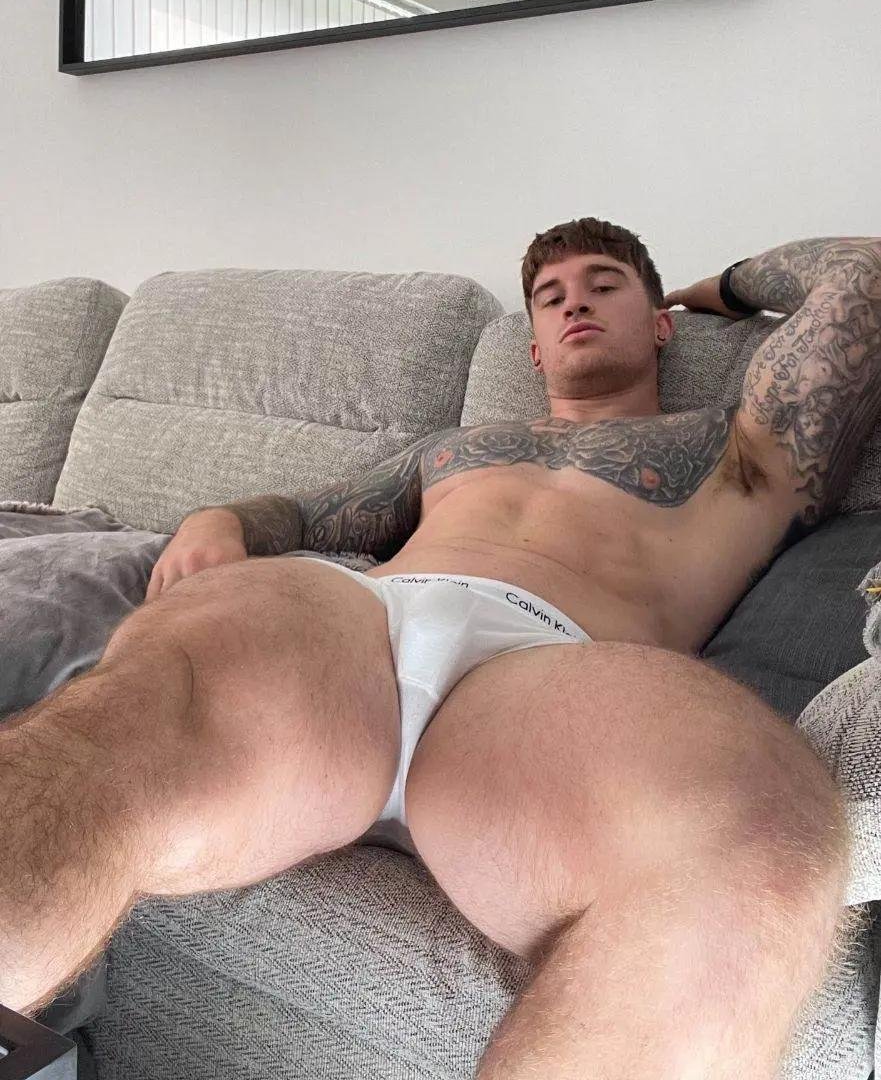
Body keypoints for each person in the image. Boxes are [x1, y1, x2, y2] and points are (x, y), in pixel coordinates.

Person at [2, 216, 880, 1079]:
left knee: (751, 845)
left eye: (603, 285)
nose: (574, 303)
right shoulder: (455, 450)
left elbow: (863, 278)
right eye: (550, 297)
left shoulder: (739, 448)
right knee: (108, 733)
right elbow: (305, 512)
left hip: (552, 673)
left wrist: (715, 288)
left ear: (658, 325)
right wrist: (220, 519)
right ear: (532, 347)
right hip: (352, 628)